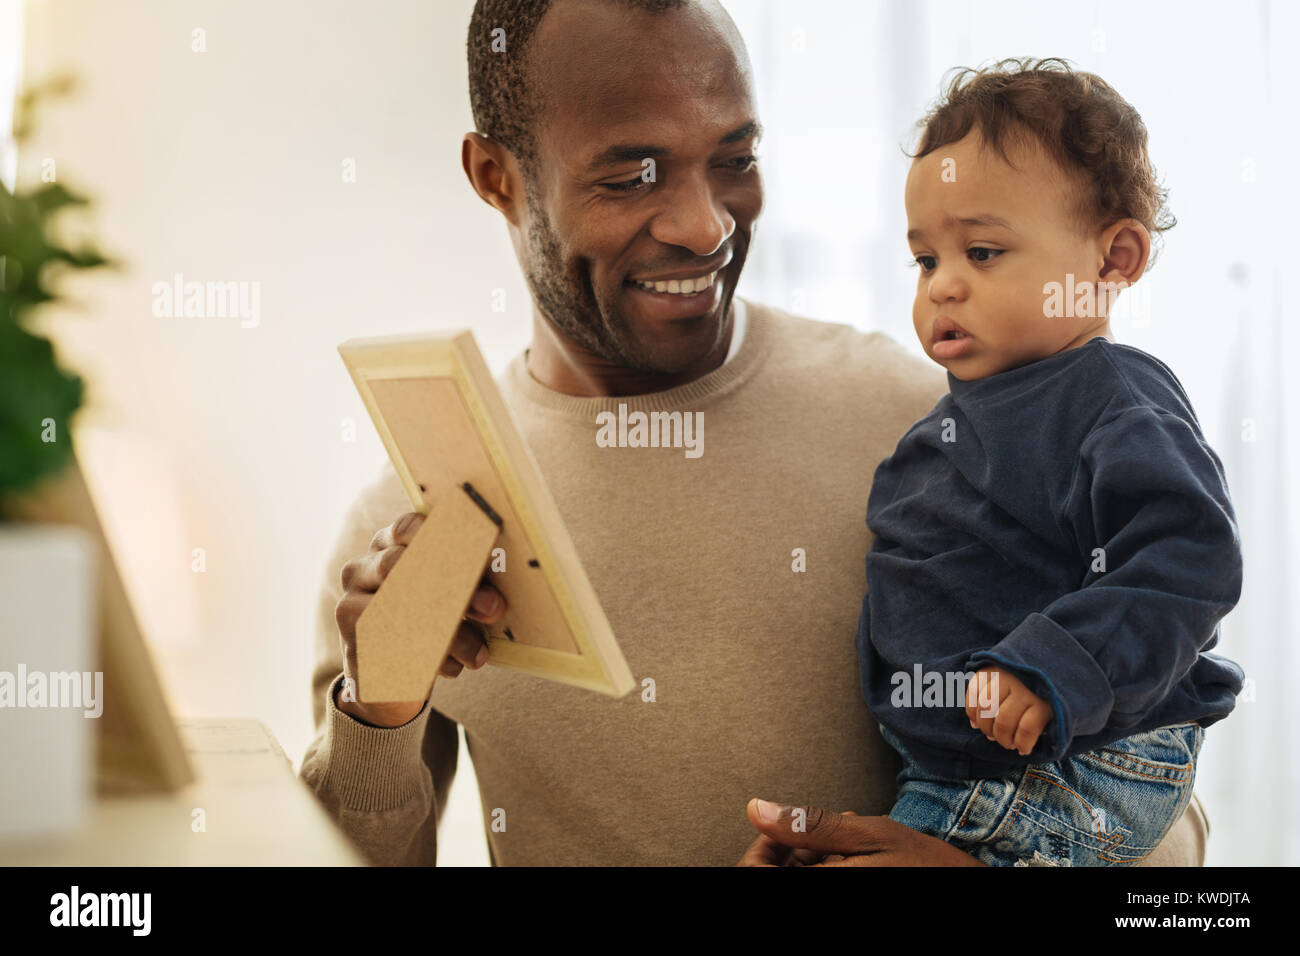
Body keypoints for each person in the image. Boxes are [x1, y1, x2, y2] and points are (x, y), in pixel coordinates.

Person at [300, 0, 1209, 866]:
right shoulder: (409, 526)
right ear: (496, 177)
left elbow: (1172, 829)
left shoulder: (929, 425)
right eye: (631, 176)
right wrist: (375, 711)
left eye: (734, 158)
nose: (706, 225)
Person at [855, 59, 1244, 866]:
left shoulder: (1111, 398)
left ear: (1112, 261)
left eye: (984, 252)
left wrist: (1050, 670)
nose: (943, 288)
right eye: (926, 261)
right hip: (970, 765)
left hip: (1078, 763)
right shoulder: (952, 419)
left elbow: (1187, 561)